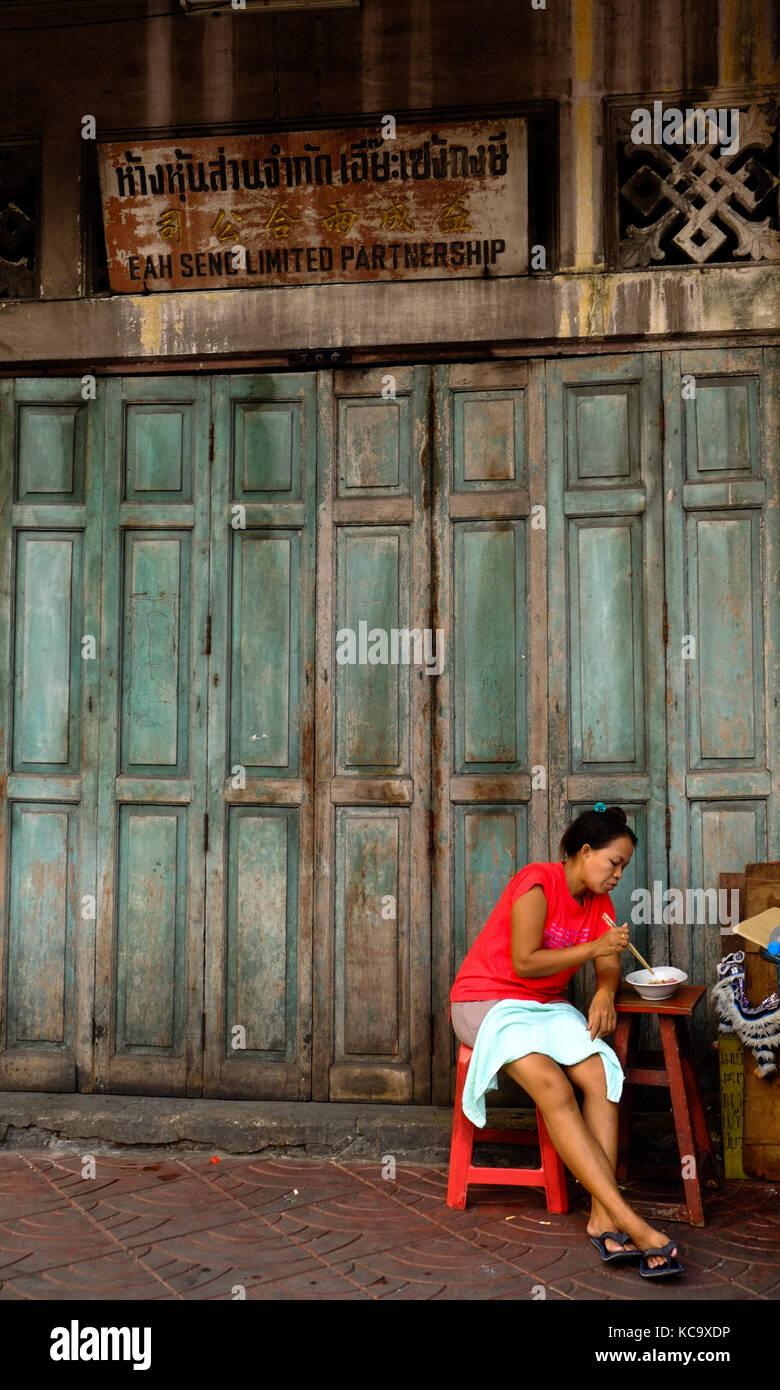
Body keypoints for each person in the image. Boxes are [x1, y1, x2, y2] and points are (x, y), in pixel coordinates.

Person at [449, 804, 683, 1278]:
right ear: (583, 851)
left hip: (544, 1008)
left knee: (600, 1072)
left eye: (623, 866)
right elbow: (525, 963)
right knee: (554, 1086)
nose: (618, 874)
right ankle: (631, 1221)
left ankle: (600, 1217)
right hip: (487, 1001)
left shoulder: (599, 904)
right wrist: (596, 950)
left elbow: (611, 961)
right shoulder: (538, 882)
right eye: (613, 862)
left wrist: (603, 991)